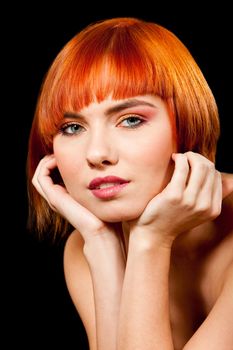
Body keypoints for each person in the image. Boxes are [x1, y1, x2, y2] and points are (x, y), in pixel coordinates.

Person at [27, 17, 233, 350]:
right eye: (72, 128)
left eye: (131, 120)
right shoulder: (85, 247)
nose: (96, 153)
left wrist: (150, 240)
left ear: (188, 125)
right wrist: (102, 246)